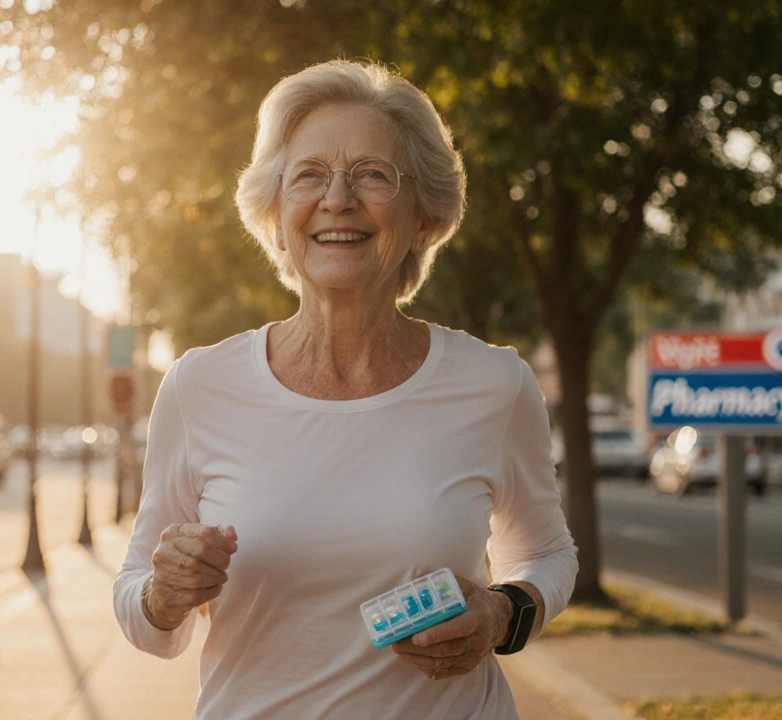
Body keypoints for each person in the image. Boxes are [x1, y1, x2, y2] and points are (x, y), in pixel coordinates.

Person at [114, 59, 578, 719]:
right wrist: (163, 595)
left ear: (423, 215)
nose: (337, 198)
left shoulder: (494, 384)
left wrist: (503, 614)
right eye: (309, 174)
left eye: (373, 174)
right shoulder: (200, 386)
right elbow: (141, 609)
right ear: (276, 213)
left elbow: (546, 553)